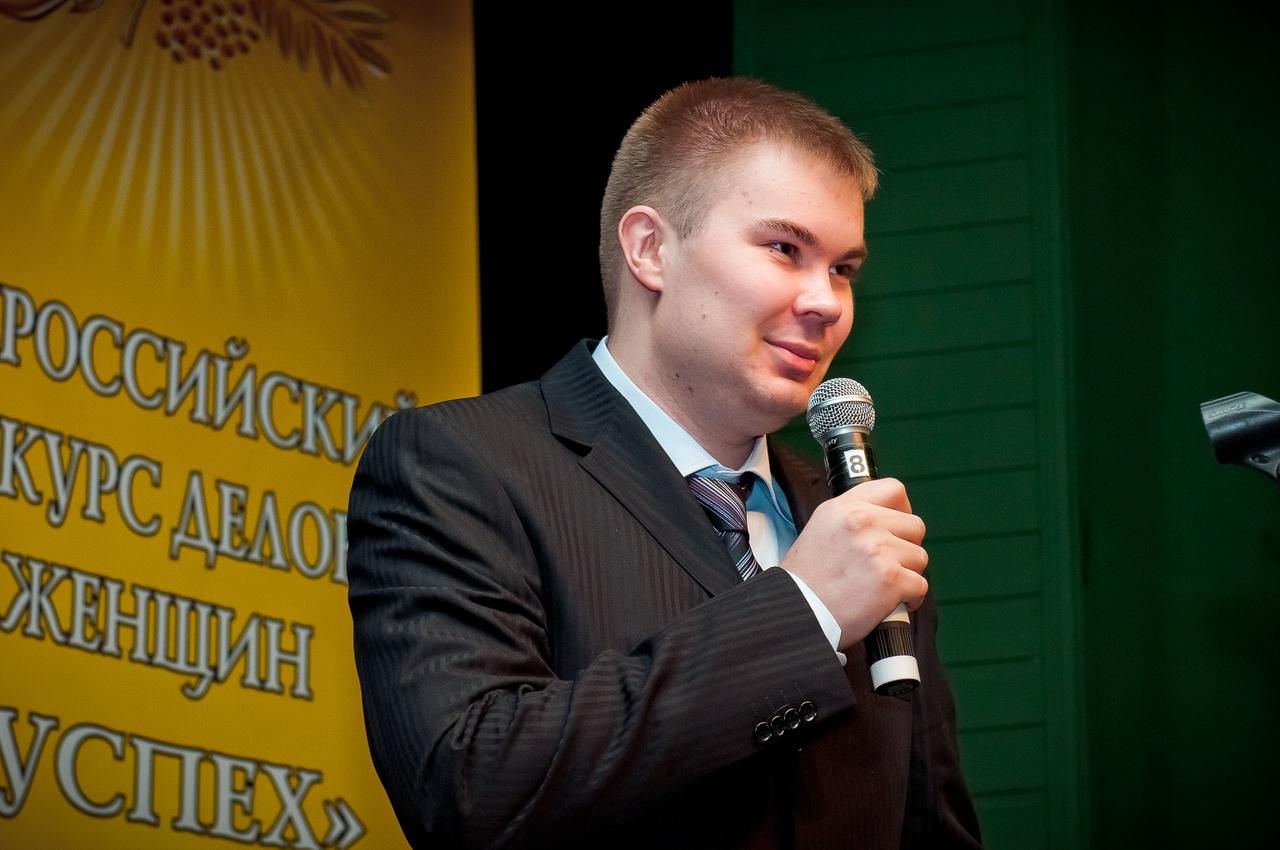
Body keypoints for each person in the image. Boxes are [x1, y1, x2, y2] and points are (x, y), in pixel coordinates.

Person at [347, 77, 982, 849]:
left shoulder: (853, 525)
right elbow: (469, 789)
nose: (827, 302)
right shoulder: (463, 466)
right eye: (785, 249)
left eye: (843, 269)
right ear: (650, 248)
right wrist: (806, 611)